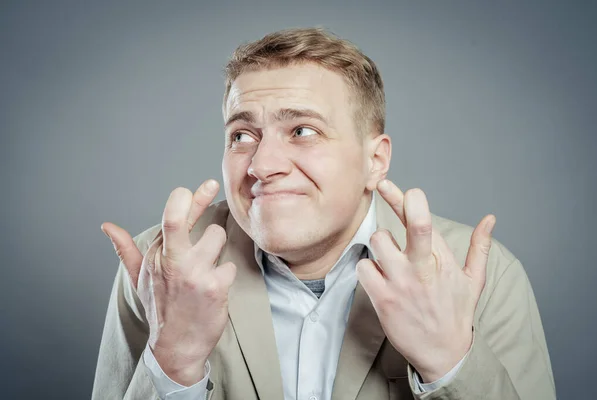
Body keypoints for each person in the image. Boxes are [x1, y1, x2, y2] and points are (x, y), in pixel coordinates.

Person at [92, 27, 556, 400]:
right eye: (241, 135)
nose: (261, 166)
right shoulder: (166, 268)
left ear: (375, 161)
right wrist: (172, 363)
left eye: (303, 130)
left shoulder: (481, 274)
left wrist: (450, 362)